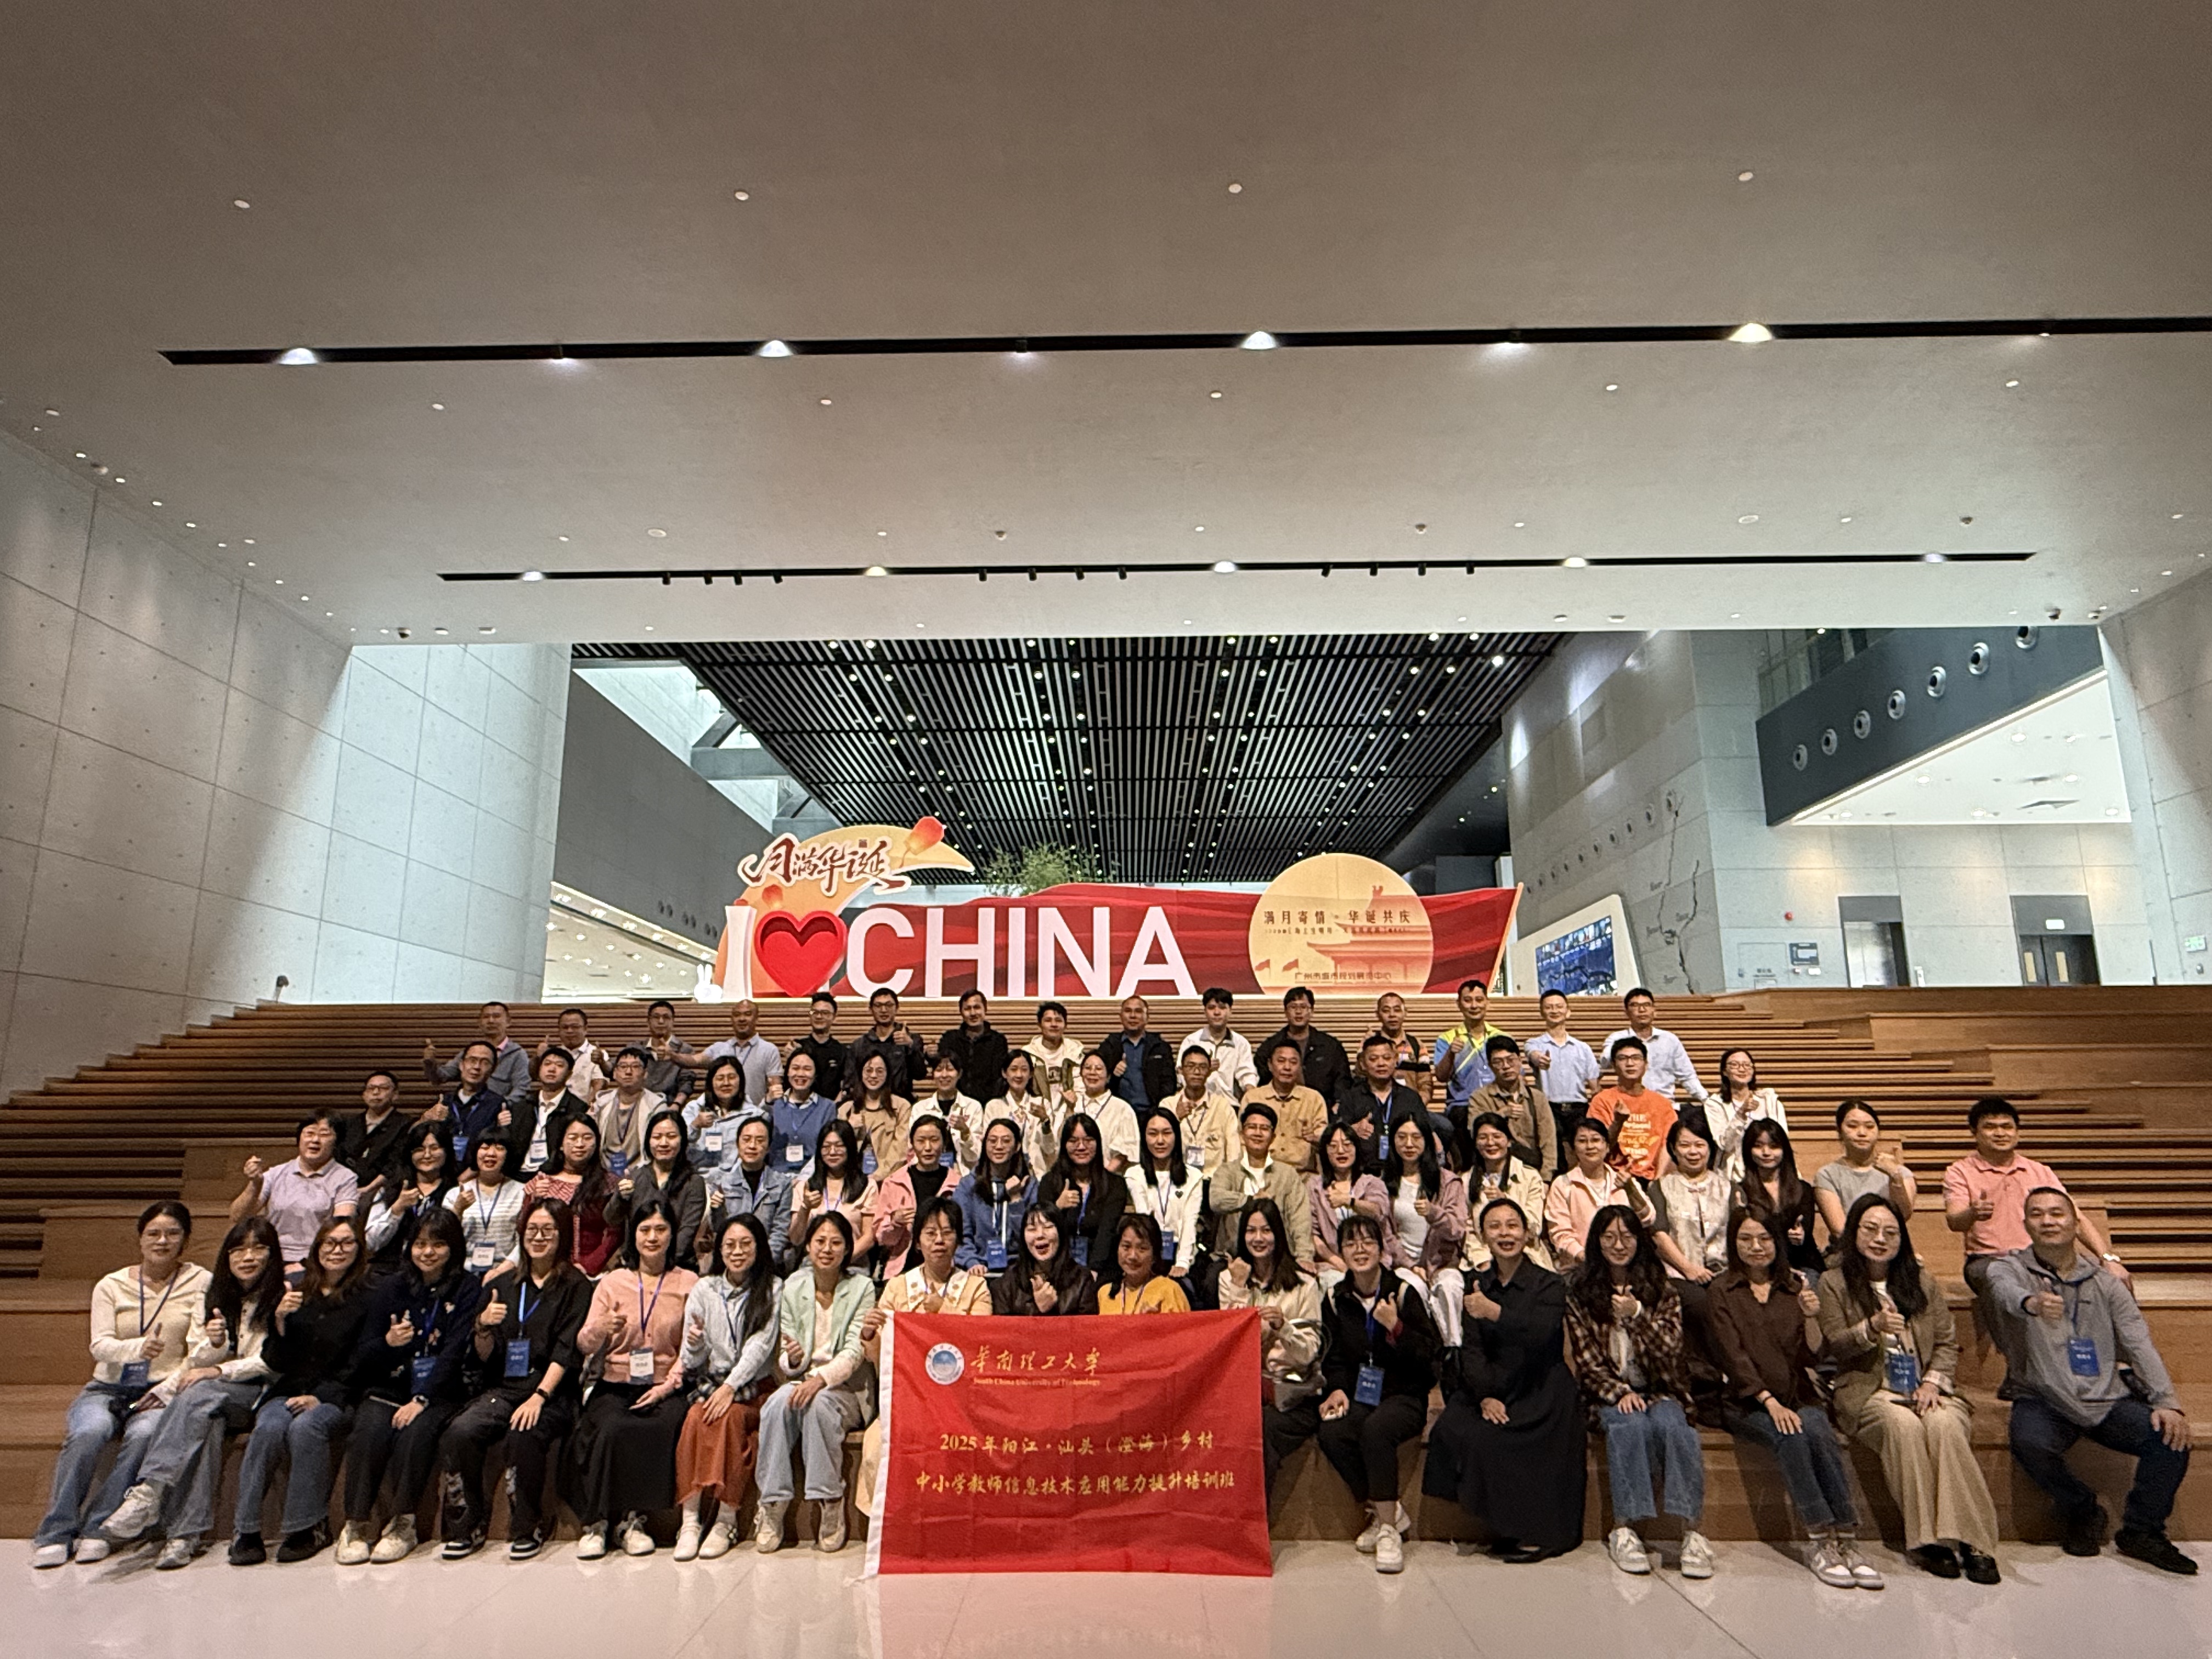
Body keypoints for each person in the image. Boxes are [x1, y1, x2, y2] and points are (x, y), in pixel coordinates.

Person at [1987, 1187, 2196, 1573]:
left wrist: (2166, 1401)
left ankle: (2142, 1531)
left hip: (2105, 1396)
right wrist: (2031, 1303)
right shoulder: (2008, 1268)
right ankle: (2081, 1508)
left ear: (2075, 1224)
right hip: (2043, 1396)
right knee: (2029, 1441)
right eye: (2037, 1214)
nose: (2048, 1221)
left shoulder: (2105, 1282)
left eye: (2057, 1213)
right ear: (2026, 1224)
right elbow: (2003, 1292)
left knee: (2170, 1440)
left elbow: (2138, 1342)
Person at [1819, 1193, 2001, 1582]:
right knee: (1903, 1426)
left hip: (1925, 1386)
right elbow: (1834, 1344)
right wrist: (1870, 1328)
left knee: (1945, 1425)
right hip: (1871, 1391)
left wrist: (1933, 1381)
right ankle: (1928, 1540)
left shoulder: (1921, 1281)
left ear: (1902, 1239)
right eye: (1870, 1229)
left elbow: (1946, 1343)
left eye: (1890, 1232)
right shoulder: (1834, 1283)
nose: (1880, 1239)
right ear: (1853, 1233)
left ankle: (1973, 1540)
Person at [33, 1203, 211, 1567]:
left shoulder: (200, 1281)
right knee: (89, 1433)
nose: (162, 1241)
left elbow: (198, 1349)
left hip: (161, 1390)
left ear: (185, 1240)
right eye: (153, 1234)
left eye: (173, 1234)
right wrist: (137, 1349)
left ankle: (99, 1529)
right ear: (140, 1239)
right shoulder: (111, 1285)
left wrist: (168, 1387)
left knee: (144, 1435)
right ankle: (56, 1532)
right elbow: (99, 1345)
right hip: (108, 1387)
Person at [97, 1217, 281, 1569]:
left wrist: (218, 1370)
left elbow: (272, 1362)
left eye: (258, 1249)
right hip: (217, 1396)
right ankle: (185, 1536)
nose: (247, 1257)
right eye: (238, 1249)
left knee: (199, 1393)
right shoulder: (216, 1296)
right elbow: (199, 1357)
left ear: (272, 1255)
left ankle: (149, 1491)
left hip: (262, 1394)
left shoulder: (284, 1298)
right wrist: (215, 1345)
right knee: (207, 1423)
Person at [1707, 1209, 1877, 1588]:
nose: (1756, 1247)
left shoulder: (1795, 1286)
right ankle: (1820, 1539)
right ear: (1734, 1243)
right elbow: (1733, 1356)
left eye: (1765, 1239)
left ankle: (1847, 1538)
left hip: (1797, 1394)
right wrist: (1769, 1402)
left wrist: (1812, 1317)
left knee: (1819, 1430)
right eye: (1746, 1239)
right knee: (1792, 1435)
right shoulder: (1722, 1290)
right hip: (1747, 1402)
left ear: (1778, 1242)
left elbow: (1813, 1355)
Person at [1423, 1198, 1584, 1561]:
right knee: (1456, 1427)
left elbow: (1542, 1334)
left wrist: (1495, 1312)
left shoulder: (1548, 1284)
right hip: (1495, 1382)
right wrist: (1485, 1395)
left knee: (1519, 1437)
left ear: (1527, 1234)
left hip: (1540, 1382)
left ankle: (1539, 1532)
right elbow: (1473, 1349)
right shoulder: (1477, 1284)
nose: (1505, 1234)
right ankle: (1500, 1524)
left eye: (1513, 1225)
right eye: (1494, 1227)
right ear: (1483, 1236)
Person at [437, 1198, 591, 1560]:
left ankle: (528, 1525)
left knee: (525, 1432)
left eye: (548, 1231)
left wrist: (539, 1396)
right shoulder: (502, 1284)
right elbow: (485, 1356)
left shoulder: (576, 1285)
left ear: (562, 1236)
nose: (539, 1237)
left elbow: (566, 1352)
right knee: (461, 1431)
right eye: (532, 1230)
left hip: (552, 1392)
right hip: (505, 1388)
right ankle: (468, 1525)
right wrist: (482, 1327)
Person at [1564, 1205, 1712, 1578]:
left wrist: (1636, 1315)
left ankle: (1692, 1531)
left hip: (1660, 1388)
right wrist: (1617, 1391)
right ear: (1597, 1242)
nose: (1619, 1245)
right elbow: (1586, 1358)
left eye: (1627, 1237)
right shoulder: (1580, 1291)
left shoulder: (1663, 1290)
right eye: (1609, 1237)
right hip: (1606, 1395)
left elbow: (1670, 1350)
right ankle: (1625, 1528)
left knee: (1676, 1428)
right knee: (1630, 1425)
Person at [336, 1207, 483, 1566]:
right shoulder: (391, 1287)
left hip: (439, 1391)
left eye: (438, 1244)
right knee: (369, 1430)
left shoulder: (467, 1287)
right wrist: (389, 1343)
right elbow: (365, 1350)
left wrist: (422, 1398)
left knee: (416, 1432)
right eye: (420, 1244)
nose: (427, 1252)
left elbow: (454, 1351)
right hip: (390, 1385)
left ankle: (404, 1523)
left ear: (454, 1248)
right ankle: (356, 1524)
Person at [232, 1217, 371, 1564]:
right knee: (268, 1428)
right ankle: (246, 1530)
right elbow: (275, 1360)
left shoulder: (369, 1296)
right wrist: (279, 1321)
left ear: (359, 1249)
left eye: (346, 1243)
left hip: (340, 1394)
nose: (337, 1250)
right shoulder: (295, 1291)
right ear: (317, 1248)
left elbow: (363, 1360)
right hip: (289, 1389)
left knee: (307, 1427)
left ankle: (308, 1527)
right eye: (329, 1243)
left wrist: (322, 1397)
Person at [1312, 1214, 1439, 1575]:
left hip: (1405, 1395)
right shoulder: (1336, 1298)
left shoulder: (1404, 1292)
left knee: (1377, 1430)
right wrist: (1337, 1388)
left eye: (1368, 1242)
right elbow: (1334, 1357)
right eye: (1350, 1243)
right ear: (1341, 1252)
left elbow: (1430, 1358)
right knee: (1333, 1431)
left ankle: (1387, 1531)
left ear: (1382, 1249)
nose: (1360, 1249)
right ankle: (1388, 1510)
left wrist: (1395, 1327)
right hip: (1362, 1395)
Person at [572, 1199, 698, 1559]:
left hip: (666, 1384)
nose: (652, 1237)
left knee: (662, 1425)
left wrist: (667, 1386)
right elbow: (584, 1343)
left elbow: (691, 1351)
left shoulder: (689, 1283)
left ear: (673, 1235)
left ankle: (633, 1521)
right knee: (611, 1427)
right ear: (634, 1235)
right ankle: (597, 1523)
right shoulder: (613, 1282)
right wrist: (601, 1328)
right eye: (645, 1230)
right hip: (616, 1381)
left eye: (661, 1229)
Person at [856, 1197, 992, 1515]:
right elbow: (880, 1357)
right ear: (917, 1241)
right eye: (930, 1233)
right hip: (908, 1399)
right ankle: (888, 1525)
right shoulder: (897, 1288)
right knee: (876, 1445)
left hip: (960, 1402)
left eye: (947, 1232)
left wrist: (943, 1311)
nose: (939, 1241)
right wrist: (869, 1335)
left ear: (958, 1239)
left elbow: (979, 1344)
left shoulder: (977, 1288)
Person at [756, 1211, 877, 1553]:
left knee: (819, 1406)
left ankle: (830, 1500)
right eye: (820, 1241)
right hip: (803, 1381)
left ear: (847, 1249)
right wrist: (793, 1360)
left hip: (847, 1388)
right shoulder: (794, 1286)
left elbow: (855, 1351)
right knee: (775, 1405)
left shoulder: (862, 1288)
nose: (827, 1249)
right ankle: (773, 1503)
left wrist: (820, 1380)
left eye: (836, 1243)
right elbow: (787, 1354)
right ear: (808, 1246)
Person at [1945, 1096, 2125, 1322]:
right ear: (1975, 1132)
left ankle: (2110, 1346)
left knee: (2110, 1278)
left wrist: (2108, 1259)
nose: (2000, 1133)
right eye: (1990, 1127)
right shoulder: (1960, 1171)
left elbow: (2076, 1219)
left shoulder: (2040, 1171)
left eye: (2007, 1127)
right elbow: (1955, 1221)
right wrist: (1973, 1213)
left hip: (2043, 1256)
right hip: (1990, 1259)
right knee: (2004, 1280)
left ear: (2017, 1132)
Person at [674, 1212, 781, 1560]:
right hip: (713, 1382)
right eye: (730, 1245)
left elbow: (760, 1347)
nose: (737, 1252)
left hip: (753, 1387)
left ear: (759, 1247)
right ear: (719, 1250)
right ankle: (690, 1520)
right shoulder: (704, 1289)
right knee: (695, 1418)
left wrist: (731, 1388)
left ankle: (726, 1519)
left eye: (746, 1244)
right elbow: (691, 1358)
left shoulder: (772, 1288)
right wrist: (694, 1344)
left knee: (733, 1420)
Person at [1220, 1198, 1324, 1500]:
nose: (1258, 1238)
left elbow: (1309, 1353)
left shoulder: (1304, 1284)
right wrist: (1240, 1289)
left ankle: (1253, 1520)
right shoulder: (1229, 1279)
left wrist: (1284, 1327)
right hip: (1244, 1392)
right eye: (1251, 1231)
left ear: (1278, 1234)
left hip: (1291, 1396)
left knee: (1261, 1430)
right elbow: (1229, 1346)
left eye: (1266, 1230)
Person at [229, 1110, 360, 1272]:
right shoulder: (276, 1173)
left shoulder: (345, 1178)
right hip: (272, 1259)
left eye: (324, 1135)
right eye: (309, 1133)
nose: (315, 1140)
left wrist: (306, 1264)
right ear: (299, 1139)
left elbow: (341, 1226)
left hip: (318, 1261)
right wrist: (255, 1184)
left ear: (337, 1141)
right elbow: (238, 1217)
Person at [1383, 1114, 1469, 1347]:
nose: (1409, 1144)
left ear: (1427, 1141)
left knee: (1450, 1287)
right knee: (1413, 1288)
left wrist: (1434, 1213)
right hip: (1403, 1265)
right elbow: (1386, 1234)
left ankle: (1453, 1351)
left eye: (1416, 1137)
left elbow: (1457, 1229)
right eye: (1402, 1137)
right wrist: (1411, 1266)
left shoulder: (1448, 1182)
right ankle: (1425, 1351)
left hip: (1442, 1263)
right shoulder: (1385, 1183)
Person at [1210, 1102, 1316, 1266]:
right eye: (1252, 1127)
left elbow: (1300, 1220)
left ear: (1273, 1137)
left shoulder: (1287, 1175)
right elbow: (1216, 1200)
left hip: (1277, 1259)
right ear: (1242, 1134)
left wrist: (1304, 1257)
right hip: (1231, 1258)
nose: (1258, 1133)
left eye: (1265, 1129)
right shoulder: (1227, 1171)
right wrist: (1250, 1201)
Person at [605, 1107, 708, 1272]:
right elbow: (611, 1218)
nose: (664, 1143)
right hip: (636, 1265)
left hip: (678, 1268)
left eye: (671, 1136)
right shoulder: (635, 1177)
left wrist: (657, 1266)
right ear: (648, 1141)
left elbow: (686, 1234)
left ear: (682, 1140)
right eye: (657, 1137)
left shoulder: (694, 1182)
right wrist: (621, 1197)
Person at [1650, 1121, 1731, 1331]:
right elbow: (1659, 1235)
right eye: (1685, 1145)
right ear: (1673, 1149)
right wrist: (1689, 1269)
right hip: (1677, 1275)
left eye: (1699, 1145)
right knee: (1702, 1305)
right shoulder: (1660, 1187)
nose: (1693, 1152)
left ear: (1710, 1148)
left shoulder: (1728, 1187)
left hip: (1724, 1274)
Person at [1544, 1116, 1654, 1269]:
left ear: (1607, 1146)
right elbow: (1560, 1233)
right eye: (1582, 1141)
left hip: (1626, 1265)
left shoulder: (1626, 1182)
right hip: (1581, 1267)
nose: (1590, 1146)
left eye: (1596, 1140)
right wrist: (1586, 1258)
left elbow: (1648, 1219)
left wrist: (1631, 1190)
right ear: (1574, 1149)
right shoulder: (1562, 1184)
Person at [518, 1114, 617, 1276]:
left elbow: (615, 1233)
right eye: (573, 1138)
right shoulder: (542, 1181)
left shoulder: (609, 1184)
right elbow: (523, 1228)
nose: (580, 1144)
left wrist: (589, 1266)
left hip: (592, 1272)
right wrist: (534, 1201)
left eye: (587, 1138)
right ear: (561, 1145)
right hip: (547, 1270)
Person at [1126, 1110, 1209, 1301]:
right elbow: (1144, 1218)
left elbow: (1190, 1222)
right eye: (1153, 1134)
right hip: (1147, 1252)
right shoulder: (1134, 1175)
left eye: (1167, 1133)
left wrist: (1183, 1263)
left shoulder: (1193, 1177)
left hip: (1182, 1251)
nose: (1160, 1141)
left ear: (1176, 1136)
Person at [1814, 1099, 1919, 1245]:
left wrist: (1895, 1176)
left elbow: (1903, 1216)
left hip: (1891, 1248)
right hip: (1847, 1250)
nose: (1862, 1133)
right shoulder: (1827, 1175)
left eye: (1870, 1127)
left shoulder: (1900, 1173)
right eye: (1852, 1126)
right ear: (1840, 1132)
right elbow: (1839, 1230)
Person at [1461, 1113, 1554, 1273]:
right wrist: (1482, 1260)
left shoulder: (1530, 1177)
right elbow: (1467, 1231)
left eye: (1497, 1136)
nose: (1490, 1143)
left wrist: (1506, 1201)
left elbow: (1534, 1228)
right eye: (1483, 1138)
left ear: (1509, 1141)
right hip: (1484, 1259)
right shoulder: (1466, 1181)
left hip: (1526, 1256)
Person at [362, 1119, 459, 1271]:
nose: (427, 1155)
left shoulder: (455, 1191)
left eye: (434, 1148)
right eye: (420, 1149)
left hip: (437, 1269)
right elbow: (370, 1242)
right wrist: (397, 1209)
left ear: (447, 1152)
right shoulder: (390, 1190)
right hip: (390, 1269)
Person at [707, 1114, 798, 1273]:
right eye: (747, 1140)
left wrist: (762, 1263)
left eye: (760, 1140)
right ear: (737, 1144)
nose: (752, 1146)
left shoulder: (782, 1184)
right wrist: (716, 1210)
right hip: (731, 1261)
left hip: (768, 1266)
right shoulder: (720, 1182)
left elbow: (780, 1231)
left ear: (769, 1147)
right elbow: (719, 1231)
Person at [1037, 1111, 1127, 1274]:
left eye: (1088, 1140)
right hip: (1058, 1267)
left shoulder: (1115, 1185)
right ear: (1064, 1145)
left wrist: (1094, 1271)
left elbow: (1107, 1232)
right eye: (1073, 1141)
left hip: (1101, 1268)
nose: (1081, 1147)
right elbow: (1041, 1230)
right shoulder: (1050, 1182)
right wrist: (1057, 1208)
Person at [874, 1110, 961, 1276]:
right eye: (921, 1141)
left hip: (947, 1267)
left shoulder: (958, 1184)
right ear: (912, 1144)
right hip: (903, 1268)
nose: (928, 1148)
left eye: (934, 1140)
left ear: (944, 1144)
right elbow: (881, 1238)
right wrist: (894, 1223)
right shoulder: (894, 1182)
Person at [1310, 1121, 1393, 1289]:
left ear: (1357, 1149)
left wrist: (1349, 1201)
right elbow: (1313, 1235)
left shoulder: (1372, 1183)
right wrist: (1339, 1263)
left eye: (1347, 1145)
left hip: (1373, 1261)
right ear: (1325, 1152)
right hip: (1334, 1264)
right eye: (1333, 1146)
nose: (1341, 1151)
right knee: (1334, 1283)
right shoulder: (1315, 1186)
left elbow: (1378, 1212)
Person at [429, 1040, 535, 1170]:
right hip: (443, 1173)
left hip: (478, 1174)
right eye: (472, 1061)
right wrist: (426, 1119)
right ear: (461, 1065)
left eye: (485, 1063)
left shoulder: (498, 1105)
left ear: (492, 1070)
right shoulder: (445, 1101)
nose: (477, 1067)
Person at [1584, 1037, 1677, 1182]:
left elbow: (1668, 1145)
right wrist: (1618, 1122)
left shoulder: (1662, 1104)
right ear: (1614, 1065)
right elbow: (1597, 1147)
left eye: (1636, 1058)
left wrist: (1658, 1181)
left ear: (1646, 1064)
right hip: (1612, 1177)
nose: (1630, 1064)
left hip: (1651, 1178)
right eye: (1623, 1059)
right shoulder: (1602, 1101)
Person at [1739, 1120, 1822, 1278]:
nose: (1766, 1152)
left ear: (1784, 1150)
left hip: (1801, 1262)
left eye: (1774, 1146)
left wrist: (1800, 1236)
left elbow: (1806, 1230)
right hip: (1759, 1266)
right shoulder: (1740, 1191)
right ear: (1748, 1150)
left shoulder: (1803, 1189)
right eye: (1758, 1146)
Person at [953, 1117, 1036, 1274]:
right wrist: (972, 1262)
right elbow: (961, 1233)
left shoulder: (1029, 1185)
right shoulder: (968, 1185)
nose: (999, 1146)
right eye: (992, 1141)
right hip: (978, 1269)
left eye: (1006, 1141)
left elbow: (1032, 1236)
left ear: (1017, 1147)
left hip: (1020, 1270)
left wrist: (1016, 1199)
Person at [1525, 989, 1602, 1157]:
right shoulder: (1534, 1044)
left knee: (1582, 1153)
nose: (1555, 1011)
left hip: (1579, 1109)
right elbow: (1533, 1055)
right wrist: (1539, 1059)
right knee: (1554, 1155)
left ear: (1568, 1012)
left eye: (1559, 1007)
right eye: (1549, 1007)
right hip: (1549, 1108)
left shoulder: (1583, 1048)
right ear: (1542, 1012)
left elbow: (1594, 1085)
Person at [1464, 1037, 1558, 1176]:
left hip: (1531, 1168)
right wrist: (1500, 1115)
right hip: (1494, 1167)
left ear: (1520, 1061)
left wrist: (1546, 1177)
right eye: (1498, 1062)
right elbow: (1475, 1132)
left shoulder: (1537, 1098)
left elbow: (1548, 1140)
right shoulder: (1479, 1097)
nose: (1506, 1066)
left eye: (1511, 1060)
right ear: (1490, 1066)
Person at [1687, 1048, 1786, 1180]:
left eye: (1747, 1065)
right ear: (1724, 1071)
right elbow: (1725, 1145)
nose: (1742, 1069)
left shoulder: (1769, 1101)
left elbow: (1782, 1139)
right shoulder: (1715, 1104)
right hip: (1735, 1173)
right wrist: (1740, 1115)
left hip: (1771, 1167)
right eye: (1735, 1065)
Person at [792, 1118, 880, 1263]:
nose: (832, 1152)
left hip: (852, 1264)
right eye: (826, 1147)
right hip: (813, 1264)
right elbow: (795, 1239)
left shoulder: (867, 1186)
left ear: (850, 1148)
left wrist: (838, 1263)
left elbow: (868, 1238)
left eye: (839, 1146)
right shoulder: (805, 1187)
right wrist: (805, 1208)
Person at [990, 1204, 1102, 1316]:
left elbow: (1087, 1327)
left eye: (1048, 1227)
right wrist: (1039, 1310)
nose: (1040, 1235)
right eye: (1032, 1229)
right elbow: (1004, 1327)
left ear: (1060, 1233)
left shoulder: (1082, 1280)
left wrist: (1050, 1311)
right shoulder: (1007, 1284)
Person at [1332, 1034, 1431, 1157]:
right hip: (1364, 1166)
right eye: (1373, 1059)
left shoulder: (1411, 1098)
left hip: (1402, 1164)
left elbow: (1425, 1135)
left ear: (1395, 1060)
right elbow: (1338, 1135)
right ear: (1363, 1064)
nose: (1381, 1064)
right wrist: (1352, 1131)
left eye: (1387, 1058)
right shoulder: (1351, 1098)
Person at [1244, 1036, 1330, 1173]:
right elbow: (1241, 1139)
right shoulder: (1253, 1098)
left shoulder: (1314, 1099)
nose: (1287, 1067)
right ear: (1270, 1065)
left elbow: (1325, 1138)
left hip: (1303, 1175)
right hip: (1263, 1173)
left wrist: (1314, 1137)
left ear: (1300, 1067)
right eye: (1281, 1061)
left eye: (1293, 1062)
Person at [1602, 987, 1706, 1099]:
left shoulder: (1670, 1040)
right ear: (1626, 1012)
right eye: (1635, 1006)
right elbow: (1603, 1063)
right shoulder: (1616, 1039)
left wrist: (1706, 1100)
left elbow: (1687, 1076)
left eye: (1647, 1005)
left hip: (1664, 1103)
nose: (1642, 1010)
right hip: (1629, 1103)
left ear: (1654, 1010)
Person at [447, 1134, 528, 1275]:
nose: (491, 1153)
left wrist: (502, 1270)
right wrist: (458, 1210)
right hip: (462, 1272)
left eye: (499, 1148)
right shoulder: (456, 1194)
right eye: (484, 1148)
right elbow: (444, 1237)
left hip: (507, 1271)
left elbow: (526, 1238)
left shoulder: (522, 1192)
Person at [1262, 985, 1351, 1104]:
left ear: (1312, 1011)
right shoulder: (1271, 1046)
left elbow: (1343, 1081)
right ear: (1286, 1012)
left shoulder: (1330, 1046)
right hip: (1280, 1106)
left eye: (1303, 1007)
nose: (1298, 1012)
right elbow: (1262, 1081)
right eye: (1293, 1007)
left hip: (1324, 1108)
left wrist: (1338, 1104)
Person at [423, 1000, 530, 1099]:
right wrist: (430, 1062)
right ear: (480, 1023)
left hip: (501, 1109)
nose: (491, 1021)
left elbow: (521, 1089)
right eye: (486, 1017)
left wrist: (498, 1106)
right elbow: (439, 1078)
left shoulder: (517, 1054)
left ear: (508, 1022)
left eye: (496, 1016)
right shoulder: (471, 1052)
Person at [1432, 977, 1505, 1115]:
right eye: (1468, 1000)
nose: (1474, 1006)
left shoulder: (1501, 1037)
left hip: (1499, 1103)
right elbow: (1441, 1077)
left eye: (1479, 1000)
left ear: (1487, 1003)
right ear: (1459, 1005)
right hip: (1463, 1105)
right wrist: (1451, 1053)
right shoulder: (1447, 1039)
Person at [338, 1070, 411, 1205]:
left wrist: (368, 1190)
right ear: (364, 1095)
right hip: (344, 1190)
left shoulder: (405, 1125)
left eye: (383, 1088)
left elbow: (395, 1164)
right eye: (371, 1088)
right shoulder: (349, 1124)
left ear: (395, 1095)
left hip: (383, 1192)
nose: (376, 1092)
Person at [517, 1047, 593, 1176]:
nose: (552, 1069)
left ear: (569, 1074)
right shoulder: (522, 1106)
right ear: (539, 1069)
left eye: (559, 1065)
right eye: (547, 1064)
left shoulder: (578, 1109)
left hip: (557, 1175)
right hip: (519, 1175)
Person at [1065, 1051, 1143, 1173]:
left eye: (1099, 1069)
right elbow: (1060, 1143)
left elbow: (1125, 1152)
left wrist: (1103, 1178)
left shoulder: (1122, 1108)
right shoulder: (1072, 1102)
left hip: (1110, 1177)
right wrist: (1069, 1109)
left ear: (1108, 1076)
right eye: (1088, 1068)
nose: (1092, 1073)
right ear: (1081, 1074)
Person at [1170, 1043, 1239, 1180]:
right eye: (1190, 1066)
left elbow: (1234, 1154)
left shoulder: (1223, 1106)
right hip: (1178, 1180)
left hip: (1214, 1181)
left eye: (1202, 1067)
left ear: (1209, 1071)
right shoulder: (1168, 1105)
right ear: (1181, 1070)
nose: (1197, 1072)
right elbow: (1160, 1146)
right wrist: (1175, 1119)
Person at [1099, 1212, 1190, 1314]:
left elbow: (1183, 1325)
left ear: (1155, 1255)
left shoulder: (1170, 1290)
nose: (1133, 1256)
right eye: (1126, 1247)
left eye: (1142, 1249)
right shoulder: (1105, 1293)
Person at [849, 987, 930, 1100]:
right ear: (870, 1010)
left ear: (897, 1008)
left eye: (889, 1005)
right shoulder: (860, 1045)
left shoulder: (912, 1039)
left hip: (901, 1102)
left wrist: (911, 1047)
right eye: (878, 1006)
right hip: (868, 1103)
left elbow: (920, 1074)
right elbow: (851, 1080)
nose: (884, 1010)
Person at [839, 1051, 911, 1178]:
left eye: (880, 1071)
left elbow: (900, 1150)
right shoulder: (846, 1109)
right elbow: (836, 1149)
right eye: (869, 1071)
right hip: (852, 1180)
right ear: (861, 1074)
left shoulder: (901, 1107)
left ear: (887, 1074)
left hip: (890, 1179)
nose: (873, 1075)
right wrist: (848, 1129)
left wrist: (877, 1177)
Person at [592, 1045, 664, 1170]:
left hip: (643, 1172)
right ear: (615, 1073)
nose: (628, 1072)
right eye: (623, 1067)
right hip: (604, 1172)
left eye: (636, 1067)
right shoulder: (601, 1103)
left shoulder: (657, 1106)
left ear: (645, 1074)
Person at [768, 1050, 837, 1177]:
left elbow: (827, 1149)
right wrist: (766, 1103)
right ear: (788, 1073)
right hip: (776, 1177)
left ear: (816, 1075)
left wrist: (804, 1179)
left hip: (813, 1178)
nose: (800, 1074)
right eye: (795, 1068)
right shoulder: (774, 1105)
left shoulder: (827, 1108)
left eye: (807, 1069)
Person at [937, 989, 1011, 1105]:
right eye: (967, 1009)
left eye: (977, 1007)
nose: (972, 1013)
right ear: (961, 1012)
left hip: (987, 1104)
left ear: (985, 1009)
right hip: (955, 1104)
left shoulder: (998, 1041)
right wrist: (930, 1055)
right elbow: (941, 1068)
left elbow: (999, 1077)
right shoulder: (950, 1039)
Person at [1183, 987, 1259, 1101]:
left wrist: (1251, 1094)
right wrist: (1205, 1070)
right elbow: (1181, 1074)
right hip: (1196, 1102)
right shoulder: (1192, 1041)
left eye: (1222, 1008)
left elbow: (1247, 1074)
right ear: (1205, 1011)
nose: (1217, 1013)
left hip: (1230, 1104)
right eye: (1211, 1008)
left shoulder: (1241, 1043)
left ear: (1230, 1011)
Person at [698, 1000, 778, 1106]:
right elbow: (694, 1060)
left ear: (757, 1018)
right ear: (732, 1019)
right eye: (737, 1015)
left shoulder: (769, 1050)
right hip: (722, 1113)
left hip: (758, 1113)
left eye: (748, 1014)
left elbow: (775, 1089)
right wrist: (675, 1056)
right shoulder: (719, 1048)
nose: (742, 1019)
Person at [914, 1053, 983, 1169]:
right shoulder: (920, 1109)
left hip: (963, 1173)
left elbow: (975, 1157)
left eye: (950, 1070)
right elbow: (913, 1151)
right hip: (928, 1172)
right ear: (933, 1074)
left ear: (959, 1074)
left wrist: (965, 1132)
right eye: (939, 1070)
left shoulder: (973, 1107)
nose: (944, 1075)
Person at [684, 1054, 751, 1173]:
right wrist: (695, 1126)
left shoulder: (752, 1115)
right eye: (720, 1078)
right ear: (711, 1082)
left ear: (741, 1081)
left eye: (732, 1078)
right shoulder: (693, 1109)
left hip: (736, 1179)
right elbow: (679, 1143)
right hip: (698, 1176)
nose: (726, 1083)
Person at [785, 992, 849, 1101]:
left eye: (825, 1013)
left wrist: (834, 1106)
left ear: (834, 1017)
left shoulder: (842, 1052)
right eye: (815, 1012)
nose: (819, 1016)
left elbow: (845, 1087)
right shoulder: (798, 1047)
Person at [1021, 998, 1089, 1099]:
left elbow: (1082, 1088)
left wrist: (1075, 1102)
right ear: (1039, 1025)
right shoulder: (1028, 1054)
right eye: (1048, 1020)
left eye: (1058, 1020)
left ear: (1066, 1025)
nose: (1054, 1025)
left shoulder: (1075, 1052)